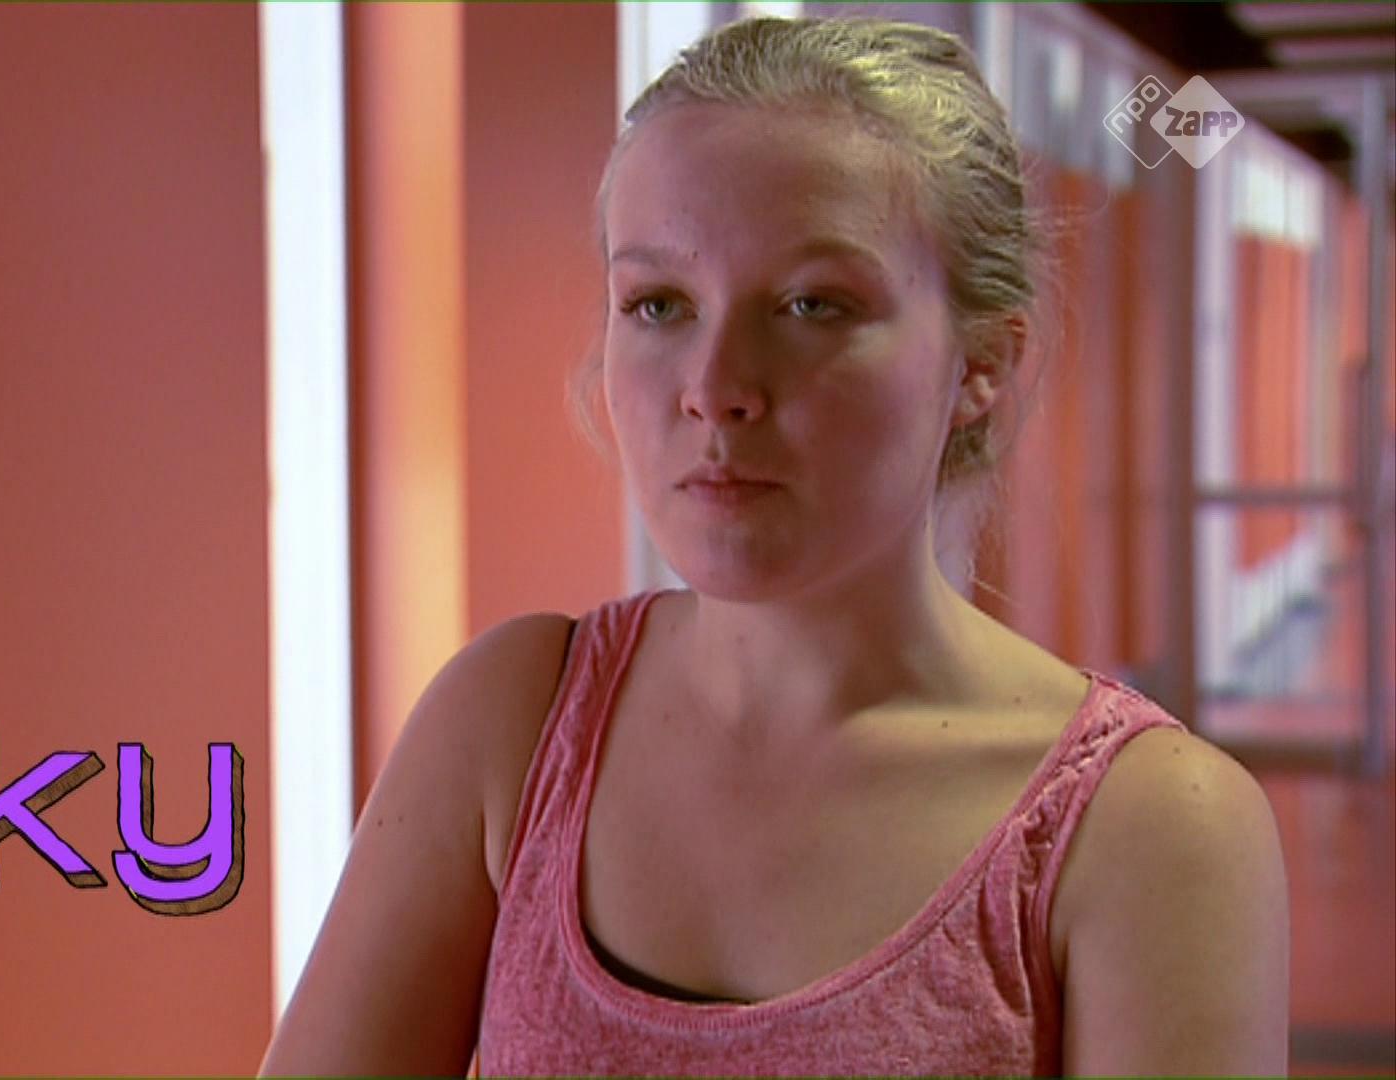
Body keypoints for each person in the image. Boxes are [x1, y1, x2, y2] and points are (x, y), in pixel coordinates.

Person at [259, 14, 1288, 1077]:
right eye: (659, 303)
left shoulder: (1146, 827)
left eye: (811, 305)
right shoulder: (512, 725)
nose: (716, 388)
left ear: (982, 359)